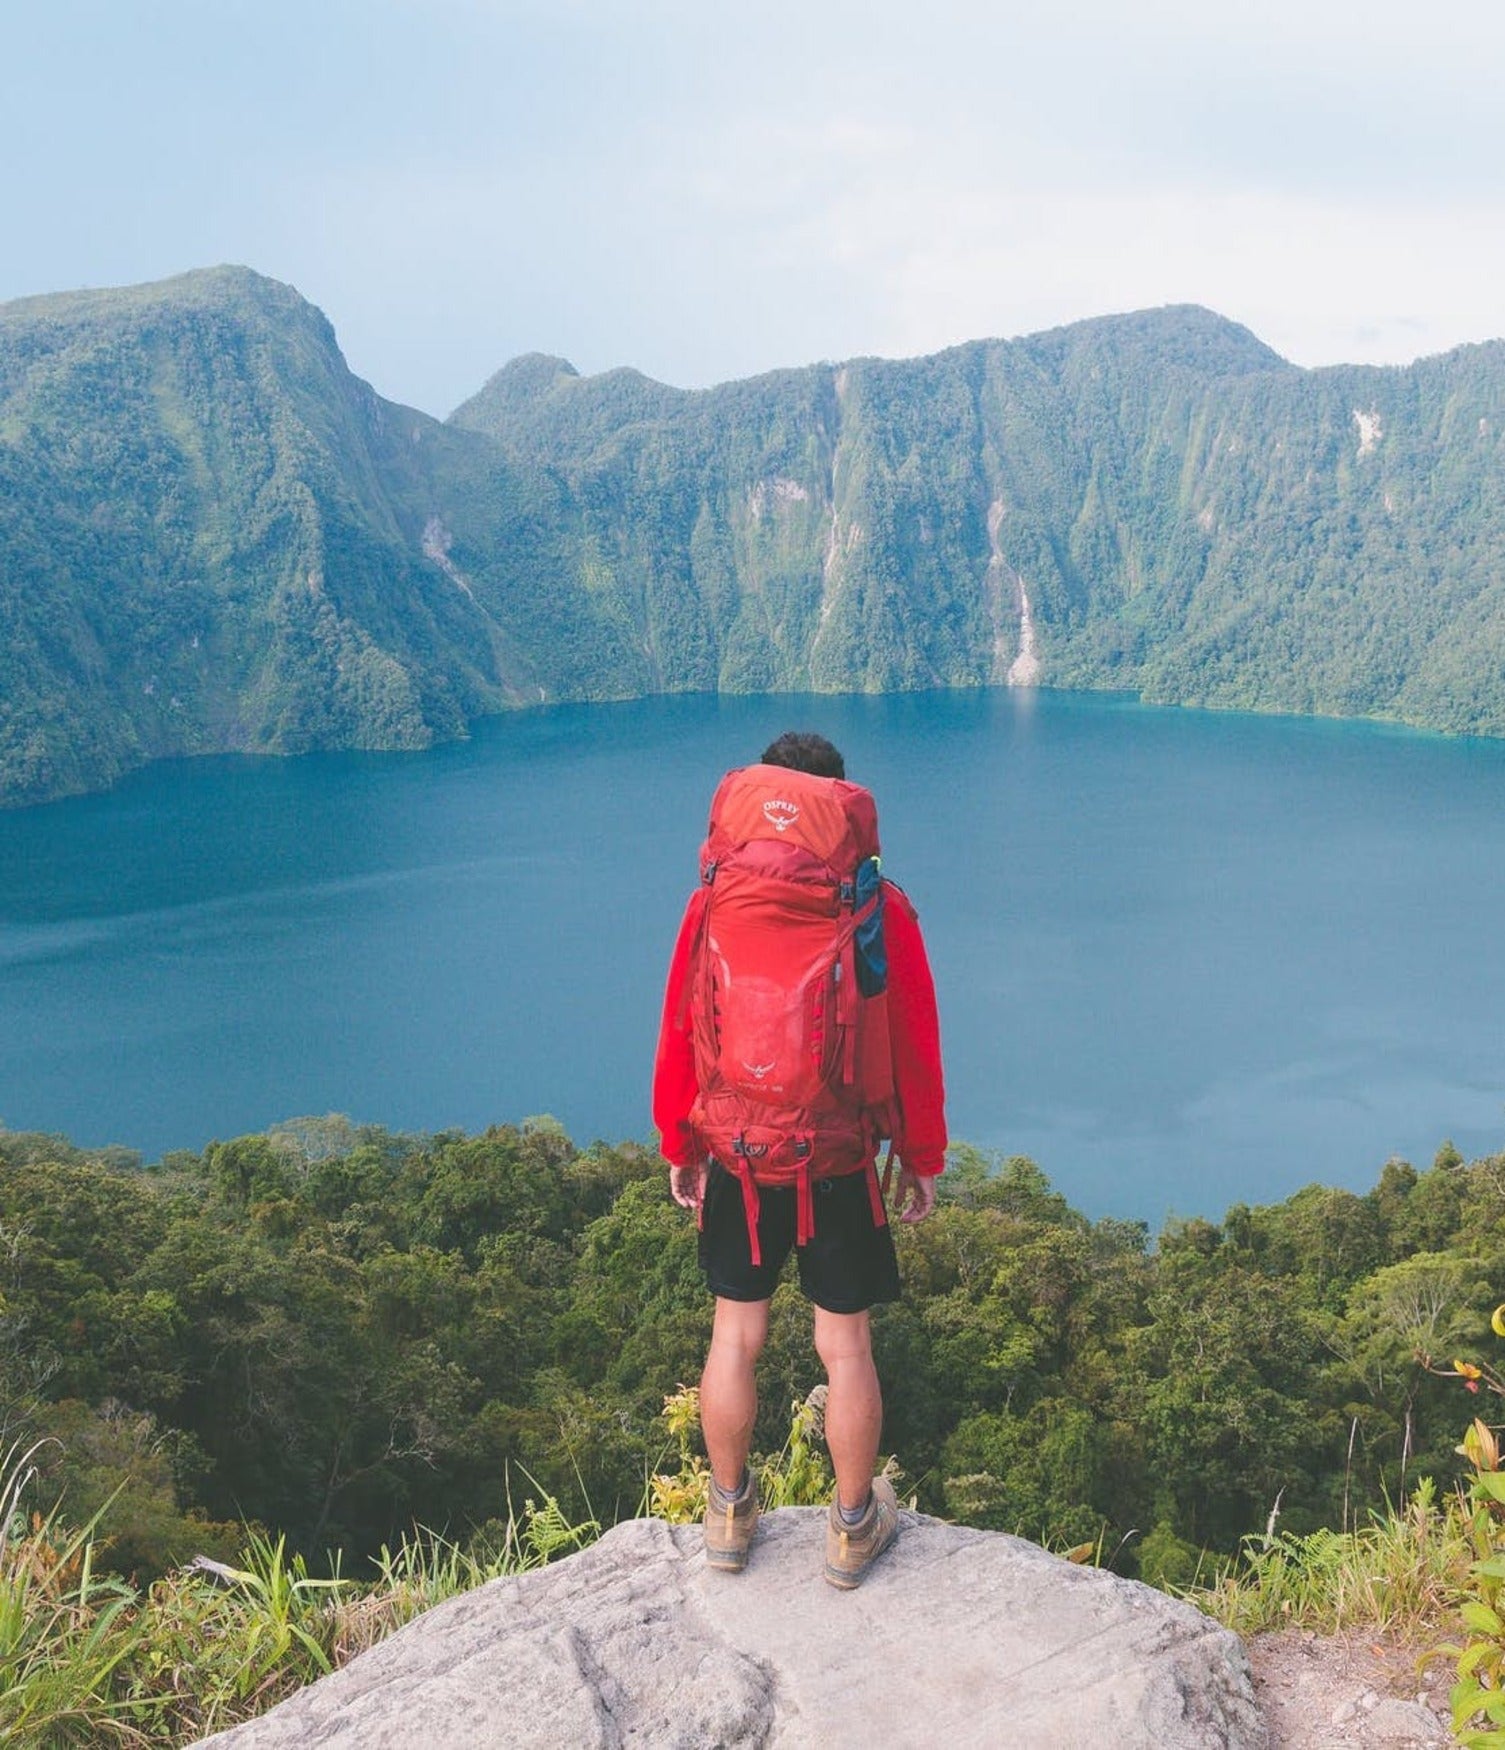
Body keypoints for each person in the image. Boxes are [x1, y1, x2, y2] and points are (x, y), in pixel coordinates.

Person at [652, 730, 946, 1587]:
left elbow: (680, 1024)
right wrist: (919, 1154)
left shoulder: (715, 895)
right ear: (839, 807)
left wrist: (683, 1140)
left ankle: (728, 1516)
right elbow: (913, 1040)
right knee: (844, 1349)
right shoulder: (871, 902)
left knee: (734, 1337)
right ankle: (853, 1528)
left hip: (739, 1153)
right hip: (838, 1157)